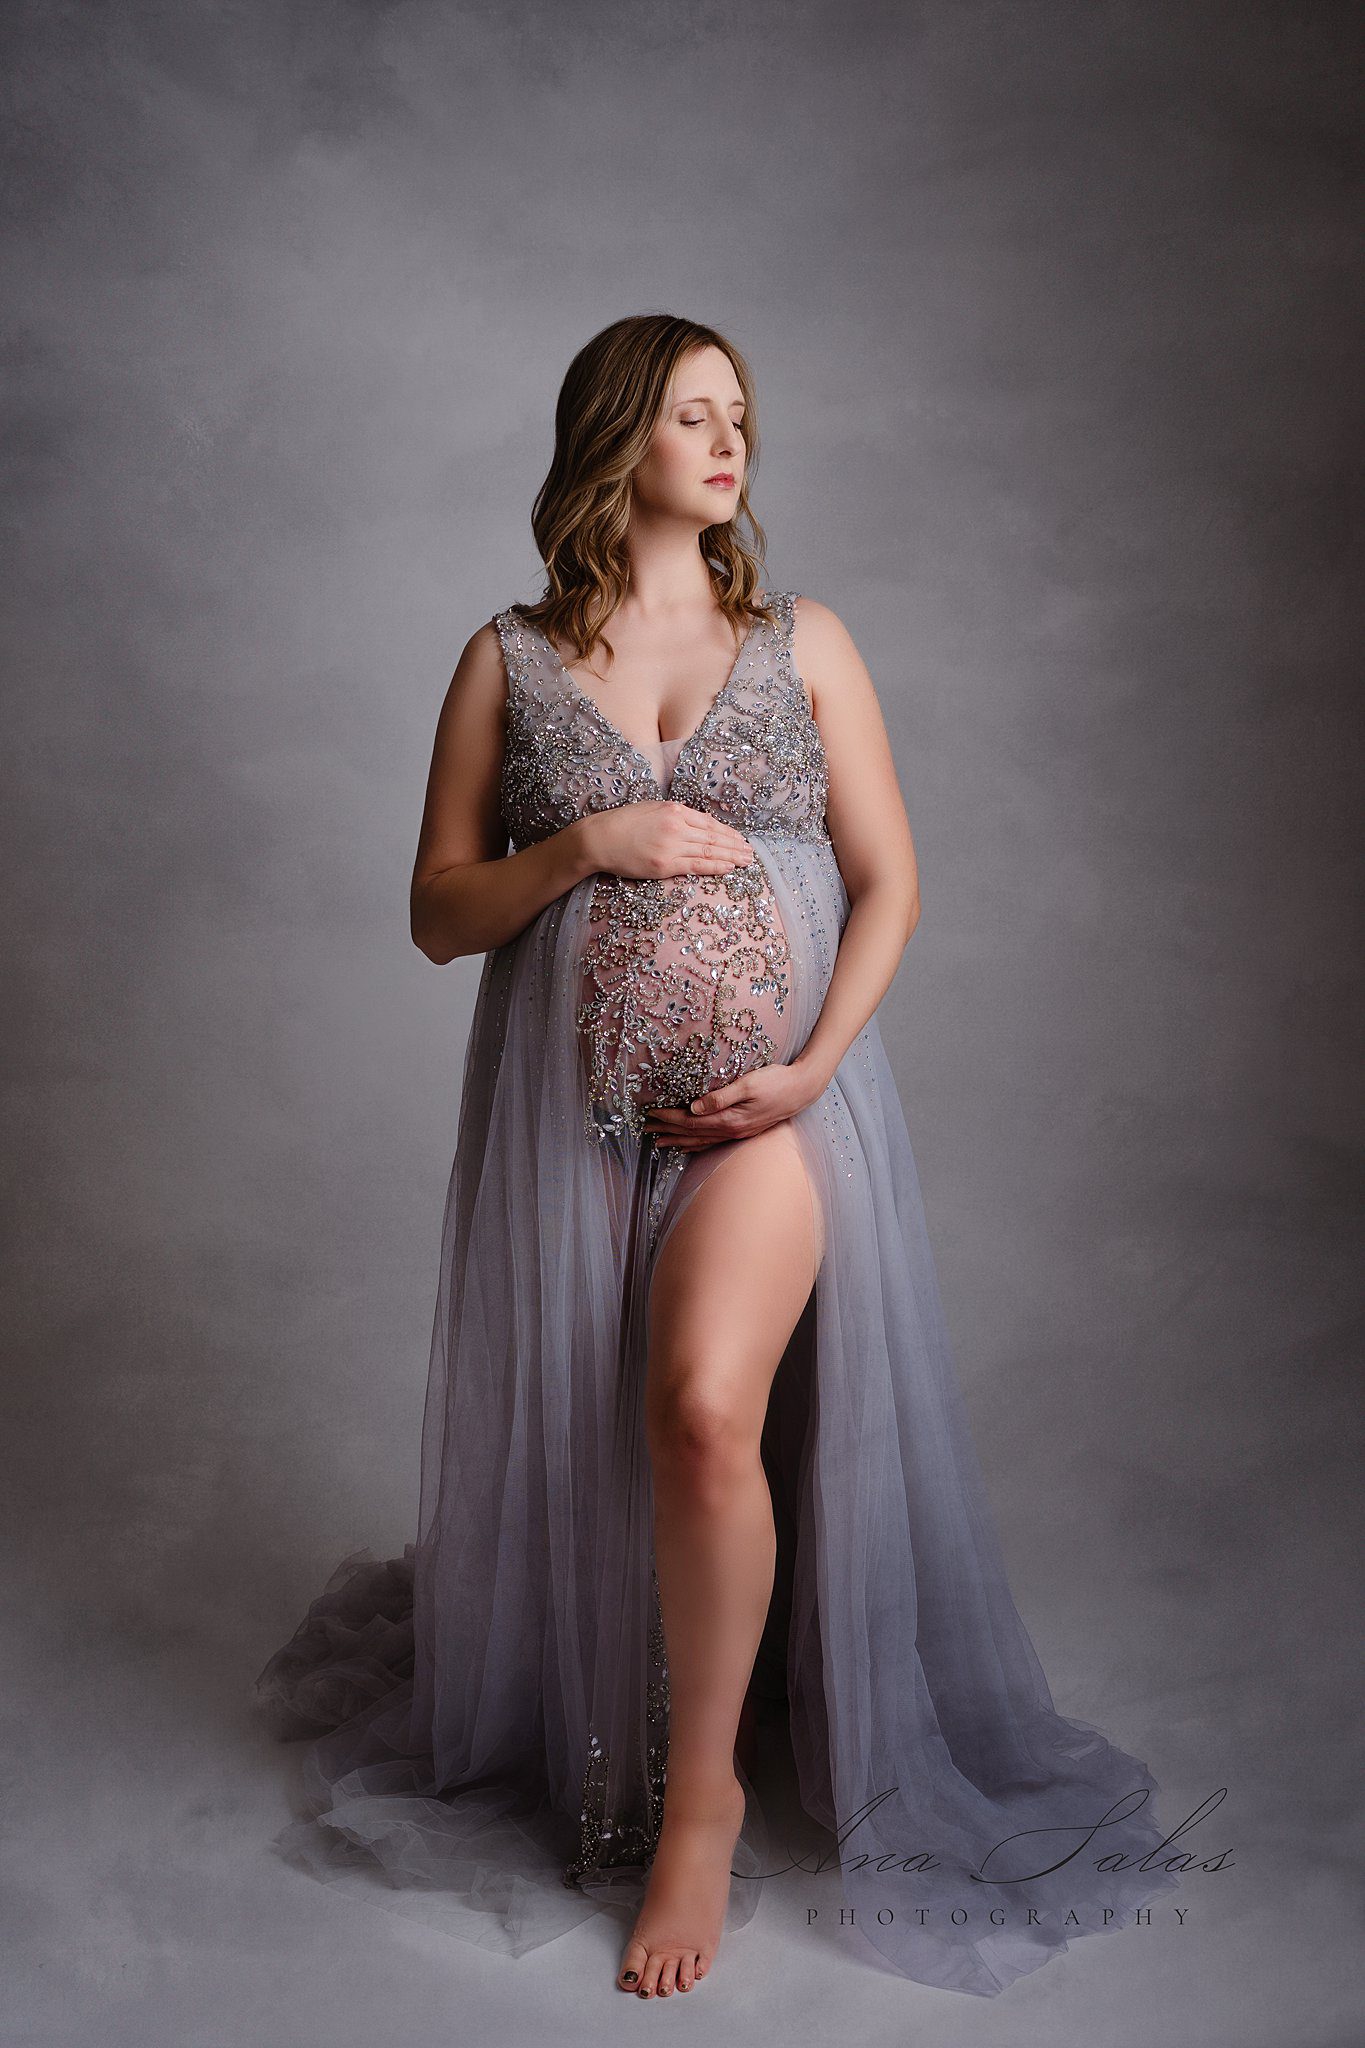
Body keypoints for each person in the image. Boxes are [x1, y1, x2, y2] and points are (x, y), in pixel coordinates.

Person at [254, 313, 1180, 2000]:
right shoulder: (508, 659)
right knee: (607, 1442)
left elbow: (891, 880)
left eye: (739, 414)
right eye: (694, 414)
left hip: (769, 1110)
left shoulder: (804, 638)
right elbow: (433, 913)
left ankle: (704, 1804)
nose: (730, 439)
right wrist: (585, 843)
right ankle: (644, 1728)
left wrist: (810, 1070)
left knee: (698, 1415)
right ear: (619, 438)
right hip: (568, 1125)